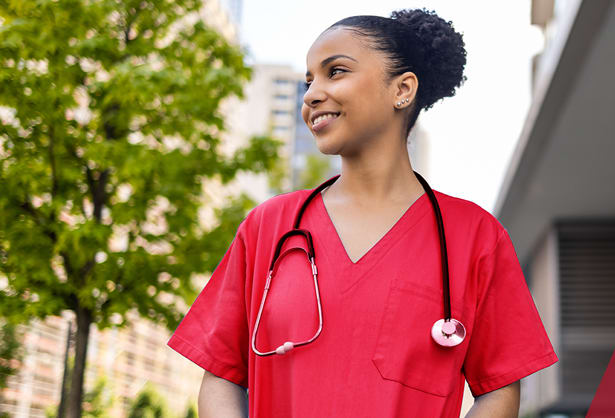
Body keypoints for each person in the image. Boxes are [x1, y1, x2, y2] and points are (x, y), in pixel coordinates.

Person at [167, 8, 558, 417]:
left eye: (335, 72)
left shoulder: (475, 236)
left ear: (402, 90)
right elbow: (222, 375)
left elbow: (499, 389)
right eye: (309, 80)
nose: (312, 93)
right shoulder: (269, 226)